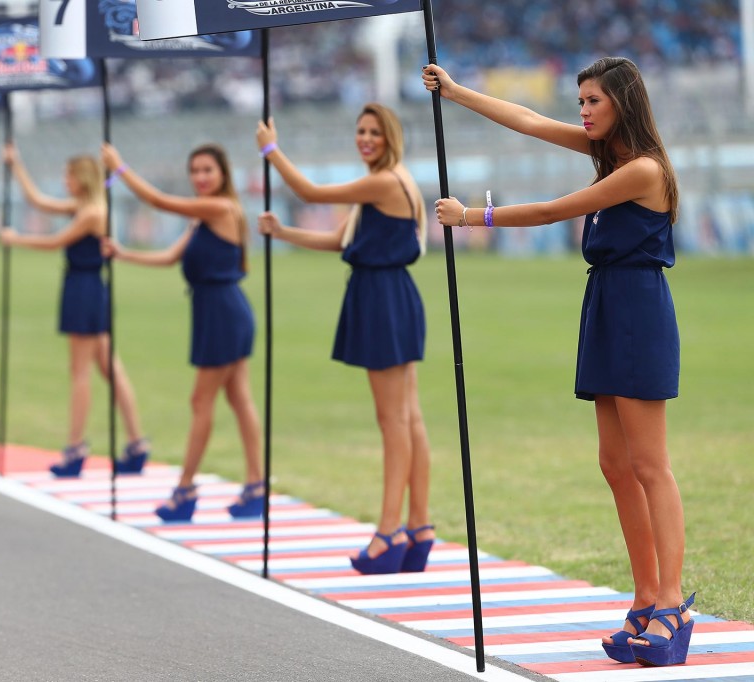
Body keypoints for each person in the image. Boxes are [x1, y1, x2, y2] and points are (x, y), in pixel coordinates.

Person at [425, 58, 693, 667]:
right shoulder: (611, 156)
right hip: (604, 305)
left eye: (594, 100)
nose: (584, 112)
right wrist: (459, 91)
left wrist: (473, 217)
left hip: (639, 310)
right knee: (614, 464)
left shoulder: (642, 169)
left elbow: (554, 210)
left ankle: (673, 606)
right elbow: (525, 118)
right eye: (581, 102)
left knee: (650, 465)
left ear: (622, 102)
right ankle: (646, 597)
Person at [256, 103, 436, 575]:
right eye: (360, 130)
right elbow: (341, 240)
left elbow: (311, 192)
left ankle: (389, 532)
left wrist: (271, 151)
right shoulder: (389, 181)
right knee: (409, 417)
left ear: (391, 136)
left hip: (382, 298)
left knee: (393, 420)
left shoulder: (384, 181)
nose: (365, 138)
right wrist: (283, 233)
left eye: (375, 131)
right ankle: (418, 527)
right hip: (391, 294)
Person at [99, 142, 263, 522]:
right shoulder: (203, 217)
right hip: (218, 310)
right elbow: (171, 257)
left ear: (223, 173)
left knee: (201, 402)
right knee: (239, 399)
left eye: (208, 170)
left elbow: (157, 200)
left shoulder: (220, 207)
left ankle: (186, 489)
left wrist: (120, 168)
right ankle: (255, 485)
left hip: (223, 312)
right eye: (195, 171)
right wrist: (125, 253)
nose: (201, 178)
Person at [0, 144, 150, 476]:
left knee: (80, 371)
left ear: (82, 177)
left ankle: (75, 447)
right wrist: (17, 165)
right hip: (86, 287)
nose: (65, 180)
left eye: (69, 175)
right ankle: (137, 442)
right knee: (110, 368)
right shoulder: (85, 206)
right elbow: (38, 201)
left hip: (84, 288)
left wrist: (16, 239)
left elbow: (55, 241)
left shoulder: (93, 211)